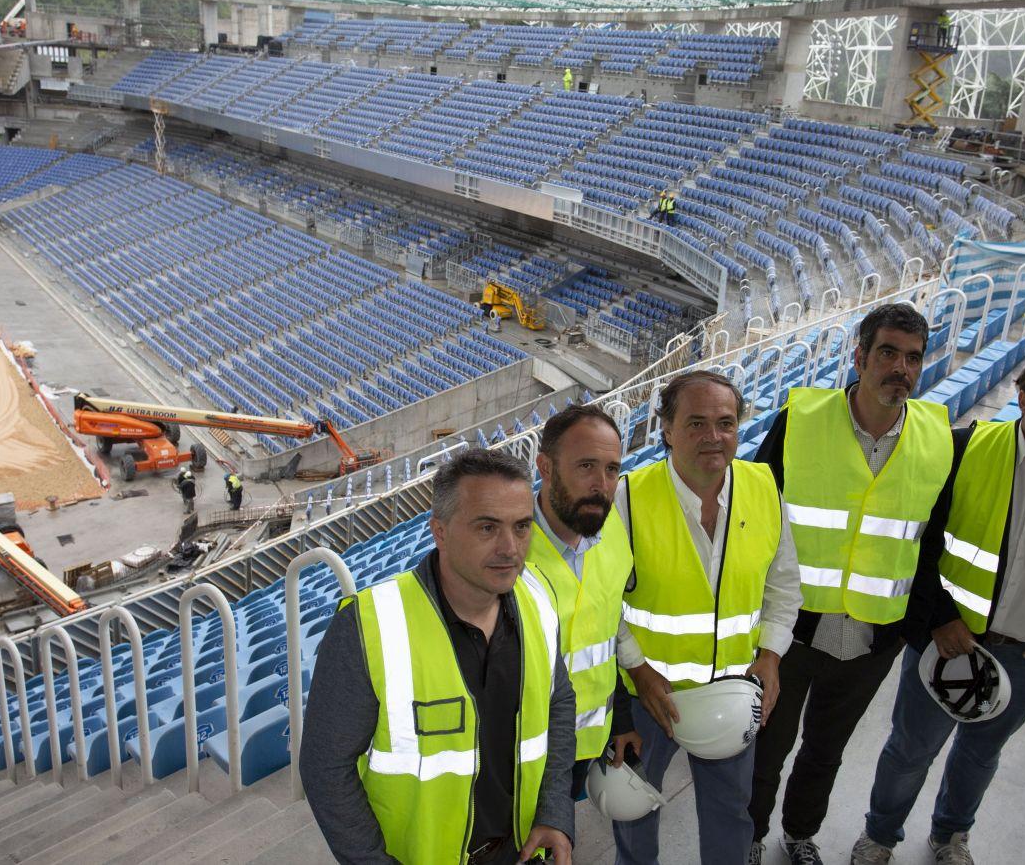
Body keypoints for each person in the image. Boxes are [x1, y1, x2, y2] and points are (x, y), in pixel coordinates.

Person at [852, 351, 1025, 865]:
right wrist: (937, 618)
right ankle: (880, 835)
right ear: (1024, 398)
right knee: (911, 750)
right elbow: (914, 541)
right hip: (945, 642)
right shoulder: (964, 449)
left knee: (981, 754)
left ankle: (950, 836)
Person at [747, 303, 953, 865]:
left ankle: (800, 833)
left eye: (913, 357)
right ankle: (750, 837)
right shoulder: (802, 420)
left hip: (873, 638)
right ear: (859, 357)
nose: (900, 369)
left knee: (826, 751)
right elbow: (756, 514)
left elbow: (930, 541)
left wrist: (933, 619)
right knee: (767, 746)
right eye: (887, 352)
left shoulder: (939, 439)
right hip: (791, 632)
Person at [301, 449, 577, 865]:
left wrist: (555, 812)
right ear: (440, 532)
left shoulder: (538, 599)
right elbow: (325, 766)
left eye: (521, 527)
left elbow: (559, 702)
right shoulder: (370, 624)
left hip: (521, 851)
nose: (510, 548)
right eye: (487, 527)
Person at [612, 370, 802, 865]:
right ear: (666, 430)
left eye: (725, 423)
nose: (713, 437)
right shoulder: (628, 499)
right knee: (633, 807)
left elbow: (782, 584)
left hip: (734, 693)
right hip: (652, 697)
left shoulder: (764, 488)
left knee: (730, 814)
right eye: (696, 423)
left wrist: (772, 656)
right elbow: (602, 604)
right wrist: (637, 668)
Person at [527, 405, 640, 797]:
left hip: (582, 749)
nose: (601, 484)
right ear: (545, 466)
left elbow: (604, 636)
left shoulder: (614, 534)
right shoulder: (504, 553)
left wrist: (620, 719)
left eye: (611, 469)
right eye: (586, 466)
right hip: (516, 759)